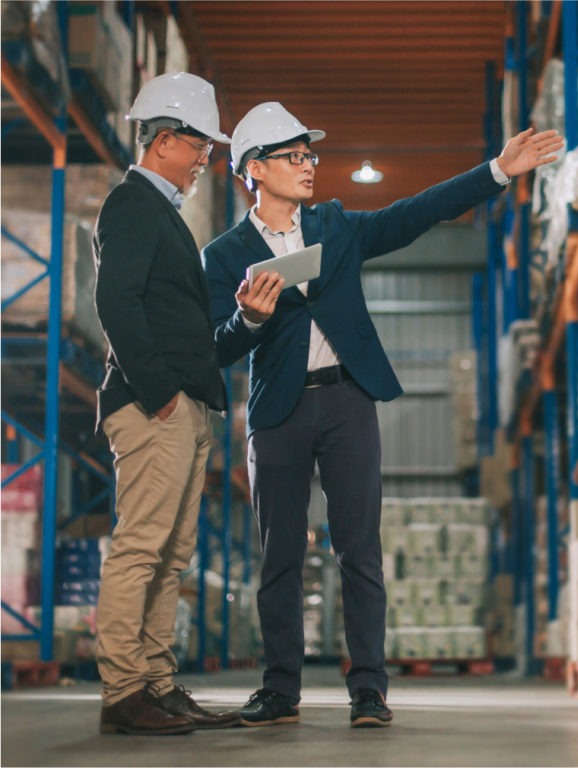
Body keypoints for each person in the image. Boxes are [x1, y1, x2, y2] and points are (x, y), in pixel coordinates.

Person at [203, 101, 564, 729]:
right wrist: (249, 319)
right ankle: (280, 691)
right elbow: (214, 349)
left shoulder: (336, 226)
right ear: (254, 169)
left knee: (359, 551)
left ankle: (368, 689)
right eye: (293, 157)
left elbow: (413, 214)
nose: (308, 166)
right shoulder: (223, 255)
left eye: (309, 155)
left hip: (348, 400)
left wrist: (497, 173)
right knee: (280, 555)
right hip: (278, 413)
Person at [93, 72, 240, 735]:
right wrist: (158, 394)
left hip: (185, 407)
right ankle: (124, 693)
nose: (207, 155)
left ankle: (157, 679)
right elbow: (115, 302)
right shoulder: (132, 204)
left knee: (172, 555)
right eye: (200, 143)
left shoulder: (162, 211)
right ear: (162, 141)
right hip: (154, 406)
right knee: (141, 549)